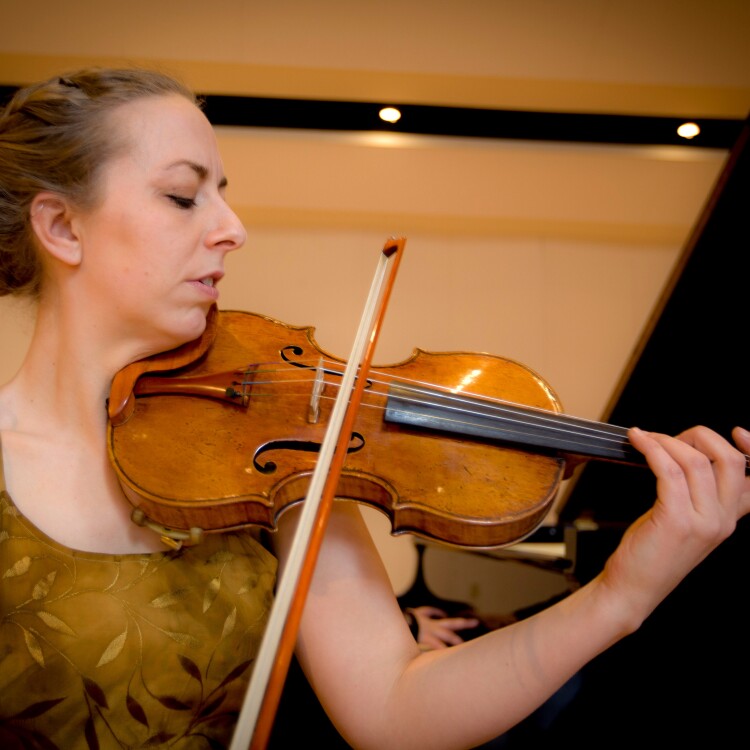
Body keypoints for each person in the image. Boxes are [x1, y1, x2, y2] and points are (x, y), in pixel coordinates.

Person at [0, 67, 748, 750]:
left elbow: (397, 711)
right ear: (62, 227)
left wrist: (622, 595)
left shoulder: (269, 451)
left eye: (222, 193)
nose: (232, 227)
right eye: (183, 196)